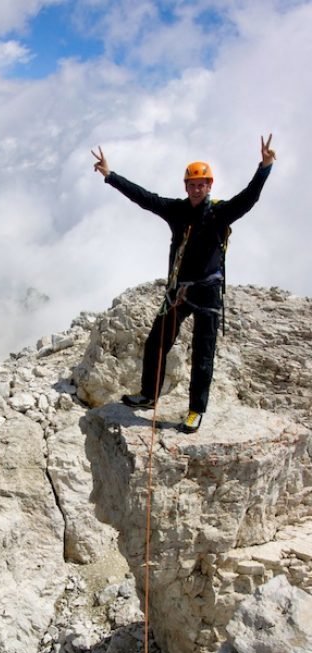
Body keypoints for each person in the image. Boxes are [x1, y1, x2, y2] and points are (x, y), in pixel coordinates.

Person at [91, 135, 276, 433]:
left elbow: (249, 198)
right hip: (179, 292)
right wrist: (110, 176)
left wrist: (264, 167)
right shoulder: (177, 210)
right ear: (186, 186)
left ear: (210, 185)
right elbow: (144, 198)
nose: (197, 188)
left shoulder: (219, 213)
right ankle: (149, 395)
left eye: (202, 184)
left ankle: (195, 411)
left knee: (203, 354)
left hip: (208, 293)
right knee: (156, 342)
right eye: (192, 184)